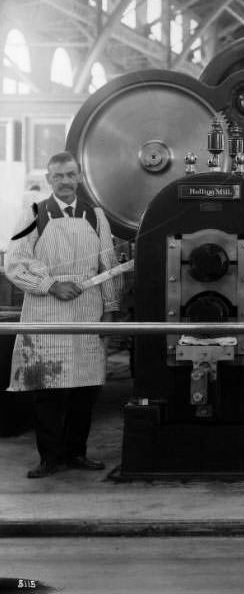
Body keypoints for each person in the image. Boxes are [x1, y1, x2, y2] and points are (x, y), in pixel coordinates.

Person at [5, 152, 120, 478]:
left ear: (79, 176)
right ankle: (50, 458)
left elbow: (109, 266)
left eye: (71, 175)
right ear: (49, 180)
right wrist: (50, 284)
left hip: (88, 314)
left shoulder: (95, 216)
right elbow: (15, 262)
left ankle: (76, 453)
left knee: (85, 389)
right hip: (47, 313)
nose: (66, 181)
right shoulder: (33, 213)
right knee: (50, 390)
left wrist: (110, 310)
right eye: (59, 176)